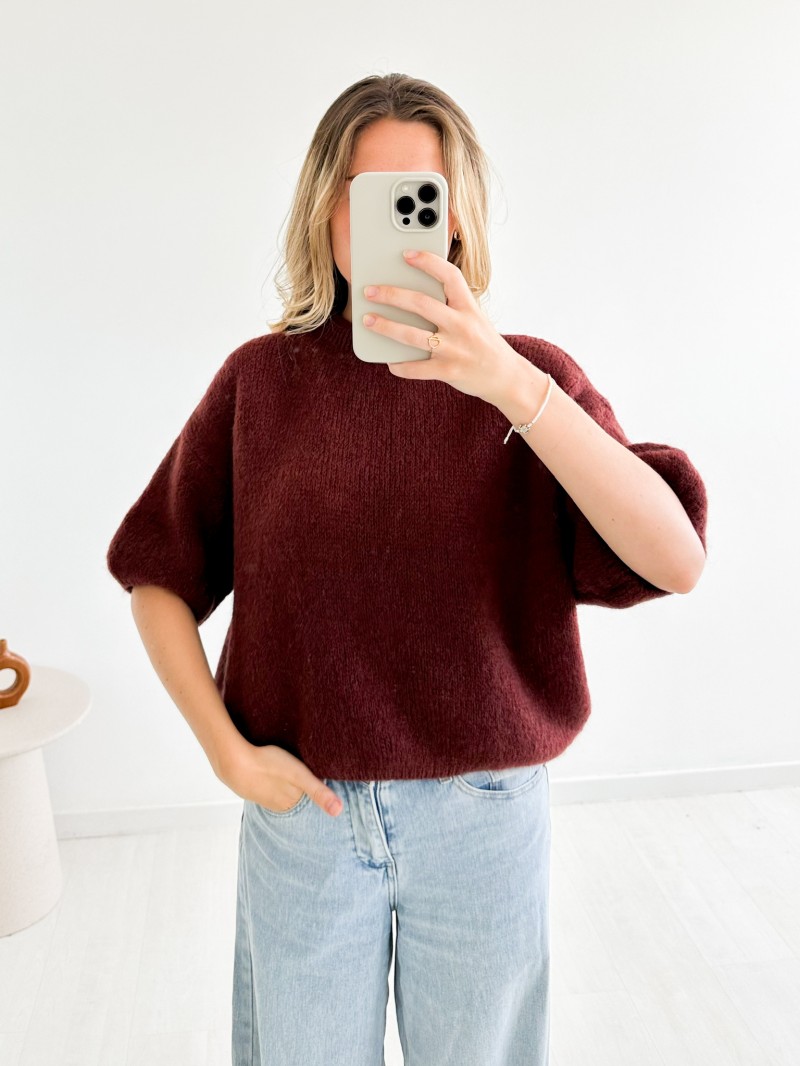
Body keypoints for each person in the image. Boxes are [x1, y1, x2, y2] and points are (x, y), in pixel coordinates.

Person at [106, 73, 708, 1066]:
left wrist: (509, 384)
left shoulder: (530, 378)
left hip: (485, 819)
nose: (389, 223)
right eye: (363, 195)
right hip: (307, 816)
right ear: (323, 211)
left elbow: (675, 559)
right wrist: (225, 753)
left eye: (415, 197)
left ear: (455, 217)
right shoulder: (262, 382)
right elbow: (157, 572)